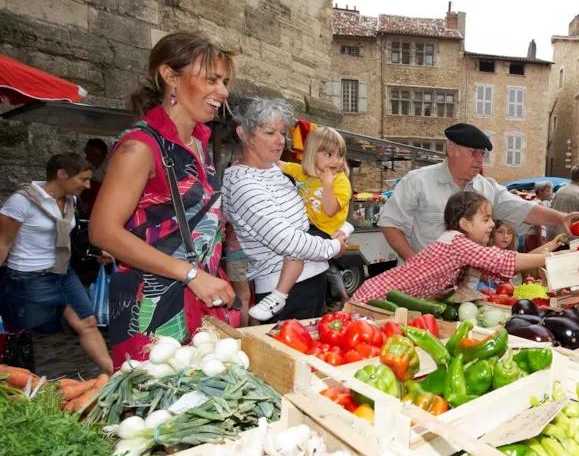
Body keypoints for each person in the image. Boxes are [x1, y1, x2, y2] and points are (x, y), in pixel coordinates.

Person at [90, 32, 237, 368]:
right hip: (152, 310)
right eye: (212, 79)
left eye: (225, 81)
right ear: (170, 76)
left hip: (203, 298)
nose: (223, 92)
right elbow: (102, 232)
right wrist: (190, 274)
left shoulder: (200, 143)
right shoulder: (140, 145)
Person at [377, 123, 579, 259]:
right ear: (451, 150)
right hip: (419, 284)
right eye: (474, 153)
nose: (479, 159)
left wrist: (562, 217)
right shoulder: (418, 181)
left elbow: (524, 209)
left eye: (482, 154)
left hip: (465, 286)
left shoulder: (485, 187)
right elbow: (390, 224)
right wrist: (415, 262)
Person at [222, 98, 348, 323]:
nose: (280, 141)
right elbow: (288, 242)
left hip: (312, 280)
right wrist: (334, 246)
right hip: (285, 292)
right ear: (244, 134)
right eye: (270, 133)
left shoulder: (274, 170)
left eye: (283, 133)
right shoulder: (242, 183)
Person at [0, 153, 112, 374]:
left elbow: (72, 238)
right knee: (18, 337)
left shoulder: (71, 200)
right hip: (26, 278)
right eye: (83, 179)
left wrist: (95, 252)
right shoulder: (21, 201)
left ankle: (113, 373)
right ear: (61, 175)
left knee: (87, 323)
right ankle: (18, 387)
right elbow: (3, 242)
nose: (88, 185)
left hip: (63, 274)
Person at [353, 192, 553, 303]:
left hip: (389, 299)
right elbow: (503, 260)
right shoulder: (458, 243)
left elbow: (496, 271)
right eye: (486, 219)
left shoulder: (458, 244)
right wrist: (550, 258)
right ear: (465, 224)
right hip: (377, 296)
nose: (492, 224)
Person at [248, 123, 352, 321]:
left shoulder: (340, 181)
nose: (335, 160)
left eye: (340, 155)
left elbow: (330, 210)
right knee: (295, 249)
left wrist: (327, 184)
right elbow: (280, 165)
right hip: (308, 226)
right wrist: (248, 163)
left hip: (325, 230)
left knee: (295, 250)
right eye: (328, 154)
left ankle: (278, 296)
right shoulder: (305, 174)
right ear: (313, 154)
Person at [477, 221, 565, 291]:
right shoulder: (488, 253)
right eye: (500, 232)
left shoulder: (508, 252)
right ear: (492, 234)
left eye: (510, 232)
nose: (506, 236)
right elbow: (521, 261)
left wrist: (548, 246)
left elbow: (526, 258)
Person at [524, 180, 553, 252]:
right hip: (535, 237)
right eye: (547, 191)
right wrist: (539, 242)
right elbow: (538, 226)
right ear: (540, 191)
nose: (550, 193)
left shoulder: (534, 202)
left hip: (530, 236)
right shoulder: (539, 204)